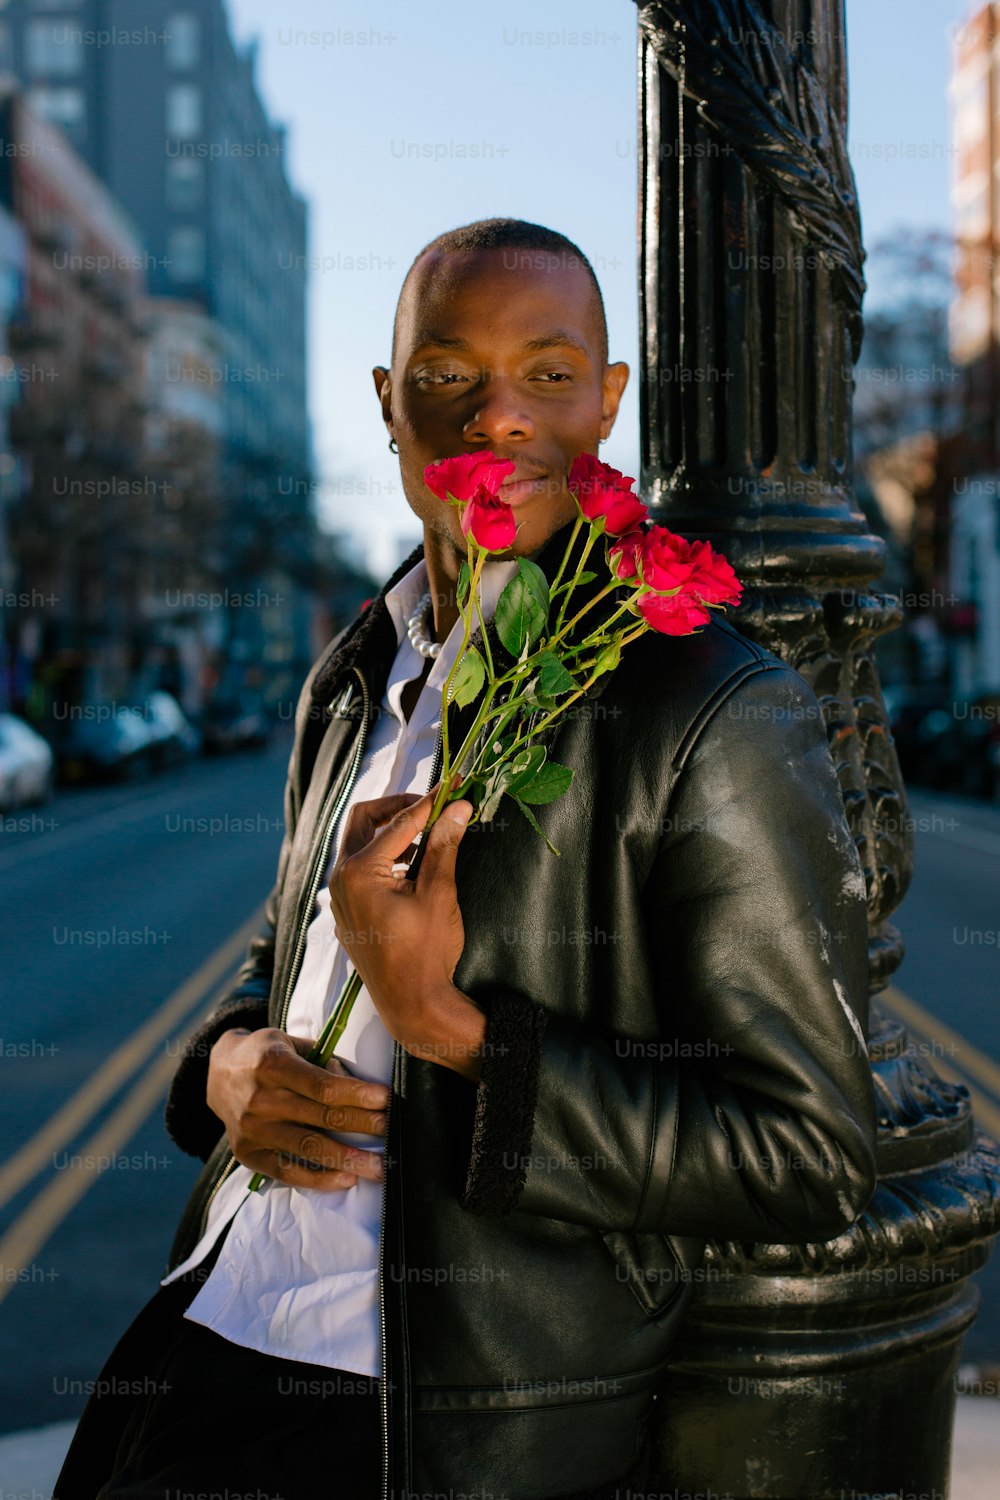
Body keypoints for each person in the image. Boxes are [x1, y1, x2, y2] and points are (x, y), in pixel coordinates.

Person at [55, 218, 878, 1500]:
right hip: (214, 1323)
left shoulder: (704, 707)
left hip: (445, 1422)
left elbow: (803, 1158)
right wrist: (219, 1065)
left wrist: (453, 1030)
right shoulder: (356, 671)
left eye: (549, 375)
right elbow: (285, 962)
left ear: (608, 403)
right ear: (388, 404)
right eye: (445, 374)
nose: (496, 418)